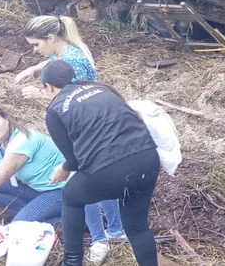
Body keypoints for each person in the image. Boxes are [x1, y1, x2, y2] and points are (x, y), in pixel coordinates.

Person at [15, 15, 124, 264]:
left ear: (51, 38)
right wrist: (33, 69)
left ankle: (99, 239)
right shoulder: (65, 53)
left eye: (36, 45)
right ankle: (115, 228)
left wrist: (39, 94)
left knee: (82, 187)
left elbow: (72, 100)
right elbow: (52, 63)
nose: (35, 50)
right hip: (90, 128)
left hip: (84, 132)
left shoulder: (73, 61)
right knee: (102, 181)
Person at [40, 60, 160, 266]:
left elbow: (74, 161)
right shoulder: (102, 89)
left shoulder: (55, 110)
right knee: (138, 227)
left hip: (110, 167)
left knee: (71, 197)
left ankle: (72, 261)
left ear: (48, 86)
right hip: (147, 158)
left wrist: (63, 169)